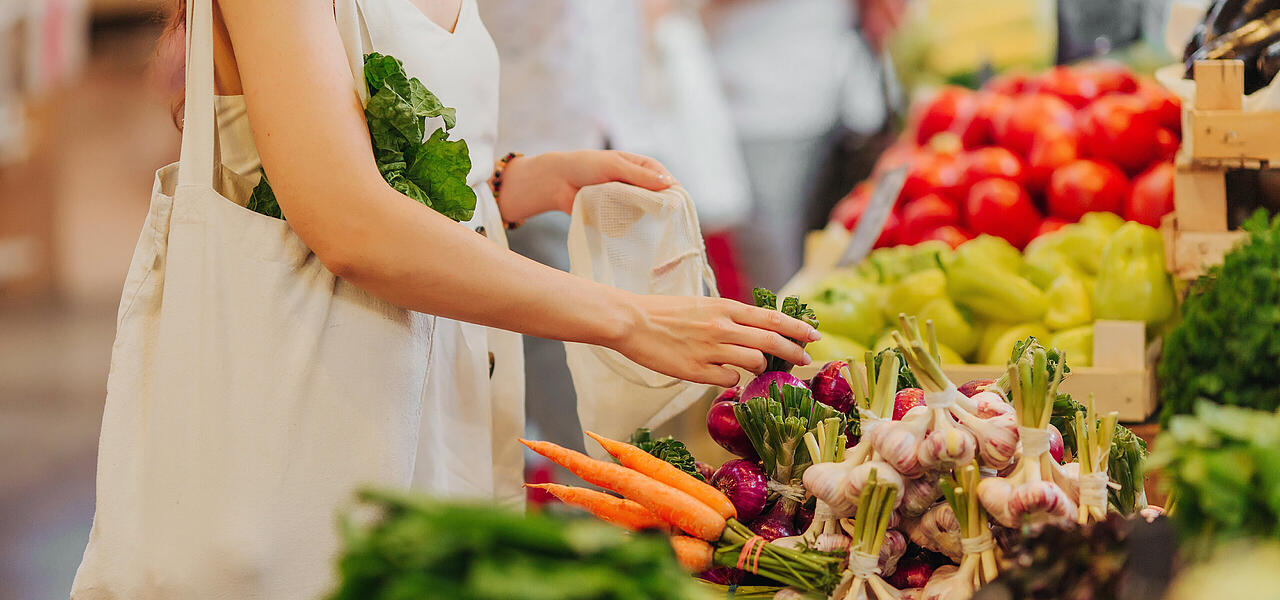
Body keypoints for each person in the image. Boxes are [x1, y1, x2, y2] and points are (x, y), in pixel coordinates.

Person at [70, 0, 819, 598]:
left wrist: (513, 183)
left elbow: (366, 155)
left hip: (421, 414)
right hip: (297, 435)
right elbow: (347, 224)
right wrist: (628, 319)